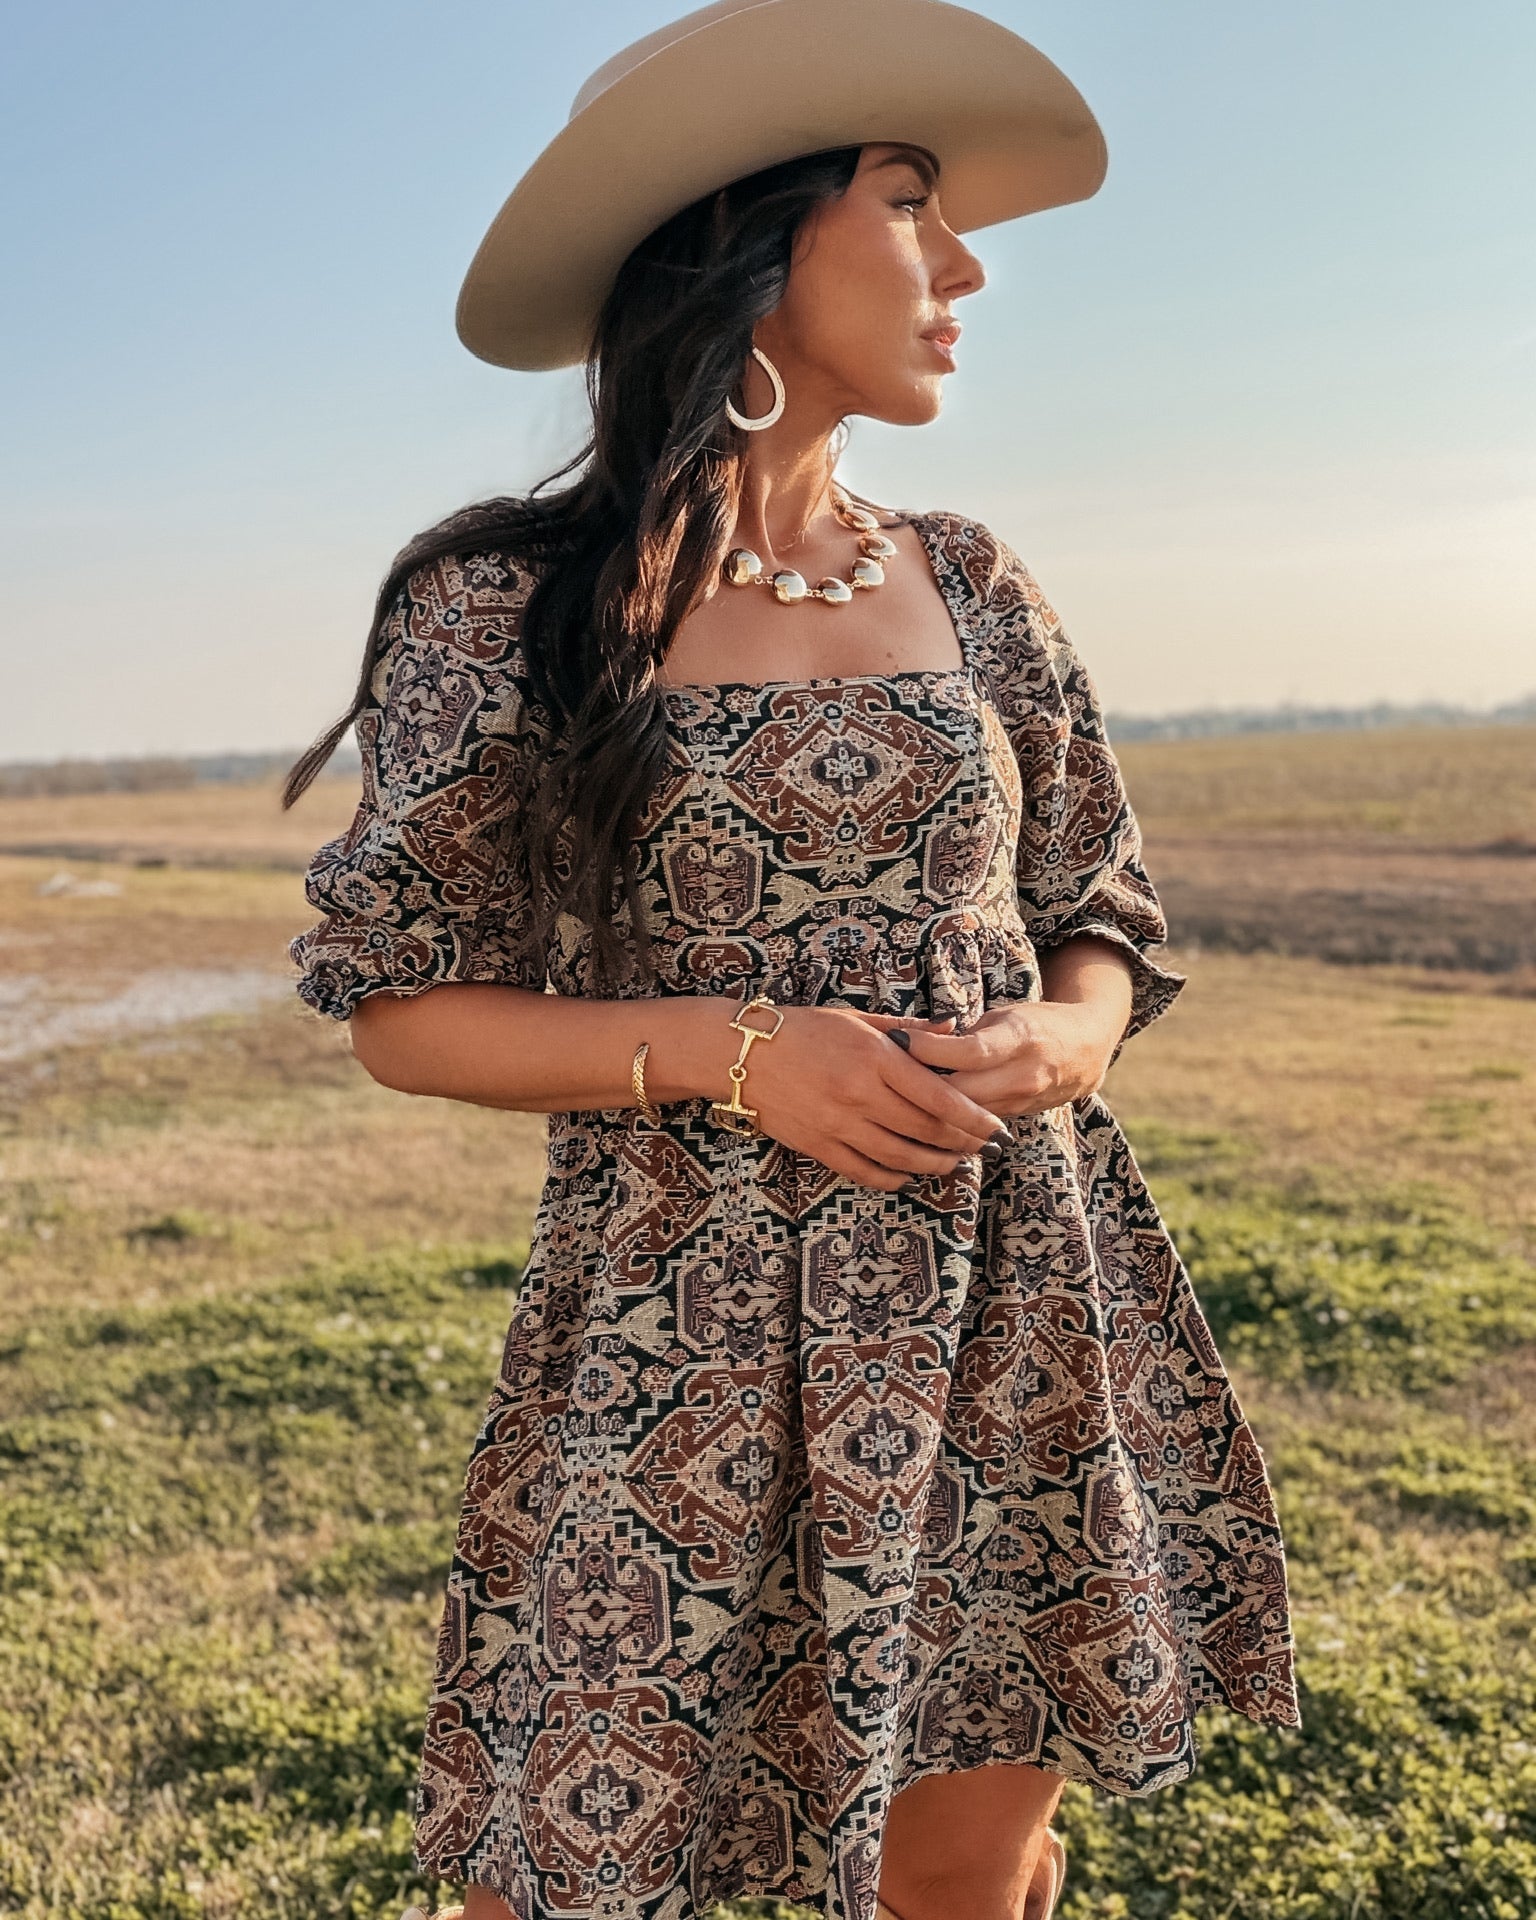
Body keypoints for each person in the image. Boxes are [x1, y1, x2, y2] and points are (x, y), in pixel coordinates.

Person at [283, 5, 1301, 1918]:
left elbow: (1103, 907)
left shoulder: (978, 576)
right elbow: (400, 1007)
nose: (968, 265)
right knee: (568, 1871)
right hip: (675, 1328)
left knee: (971, 1871)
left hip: (1005, 1308)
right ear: (742, 237)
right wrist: (748, 1054)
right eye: (910, 202)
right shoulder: (509, 602)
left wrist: (1070, 1044)